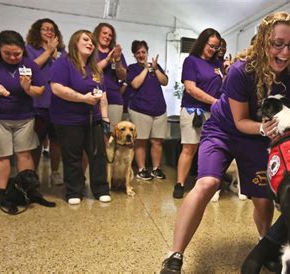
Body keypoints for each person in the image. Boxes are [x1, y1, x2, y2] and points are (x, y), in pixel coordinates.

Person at [161, 11, 290, 273]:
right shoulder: (242, 71)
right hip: (224, 130)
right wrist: (267, 130)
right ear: (264, 41)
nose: (285, 52)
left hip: (256, 138)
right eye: (277, 43)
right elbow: (241, 121)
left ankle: (265, 244)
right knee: (207, 183)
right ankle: (174, 254)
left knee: (263, 199)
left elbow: (287, 113)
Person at [49, 29, 111, 205]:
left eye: (92, 41)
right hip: (68, 120)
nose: (90, 43)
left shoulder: (95, 68)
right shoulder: (63, 63)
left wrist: (105, 119)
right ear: (75, 42)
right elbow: (57, 88)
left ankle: (101, 189)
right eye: (86, 39)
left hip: (94, 119)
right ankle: (74, 190)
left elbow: (103, 95)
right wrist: (83, 98)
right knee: (72, 156)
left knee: (98, 155)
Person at [0, 30, 45, 208]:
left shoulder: (30, 65)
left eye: (17, 54)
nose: (13, 57)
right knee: (2, 156)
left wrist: (28, 88)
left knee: (25, 153)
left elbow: (40, 91)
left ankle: (26, 192)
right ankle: (3, 195)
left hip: (24, 117)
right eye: (8, 53)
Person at [172, 28, 223, 199]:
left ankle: (203, 183)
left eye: (216, 47)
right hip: (193, 111)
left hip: (213, 114)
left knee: (208, 149)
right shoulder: (191, 61)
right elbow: (191, 89)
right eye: (210, 45)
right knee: (189, 148)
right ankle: (180, 184)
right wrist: (215, 102)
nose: (213, 50)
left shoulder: (218, 64)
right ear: (202, 42)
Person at [26, 18, 66, 185]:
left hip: (58, 104)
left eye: (52, 29)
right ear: (37, 31)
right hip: (38, 104)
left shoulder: (62, 52)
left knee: (56, 141)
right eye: (45, 29)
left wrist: (56, 54)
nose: (49, 32)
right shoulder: (30, 49)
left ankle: (55, 172)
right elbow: (31, 67)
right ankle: (33, 174)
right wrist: (48, 51)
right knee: (36, 142)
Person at [126, 40, 169, 181]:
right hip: (140, 110)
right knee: (141, 141)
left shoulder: (156, 67)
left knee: (157, 141)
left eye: (143, 52)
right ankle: (141, 169)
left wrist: (155, 69)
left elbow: (165, 82)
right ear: (134, 55)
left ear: (147, 52)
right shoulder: (132, 68)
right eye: (137, 53)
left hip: (159, 110)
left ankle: (156, 168)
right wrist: (145, 68)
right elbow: (135, 84)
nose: (141, 54)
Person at [93, 23, 127, 126]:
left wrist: (117, 60)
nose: (107, 37)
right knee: (96, 134)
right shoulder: (91, 50)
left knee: (112, 134)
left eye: (110, 35)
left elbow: (123, 76)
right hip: (95, 96)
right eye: (104, 33)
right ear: (98, 33)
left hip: (114, 98)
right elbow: (91, 70)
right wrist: (107, 59)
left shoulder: (117, 53)